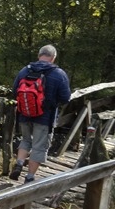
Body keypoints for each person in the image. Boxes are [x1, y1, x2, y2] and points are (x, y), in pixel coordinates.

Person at [10, 44, 71, 183]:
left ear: (39, 55)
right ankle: (30, 177)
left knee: (25, 140)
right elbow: (65, 98)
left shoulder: (25, 70)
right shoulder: (59, 74)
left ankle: (19, 163)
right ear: (53, 58)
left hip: (24, 114)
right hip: (45, 118)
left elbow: (15, 92)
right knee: (39, 146)